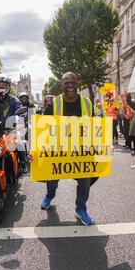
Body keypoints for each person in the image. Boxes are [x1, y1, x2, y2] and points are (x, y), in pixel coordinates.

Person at [39, 72, 95, 226]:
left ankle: (81, 208)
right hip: (58, 149)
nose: (70, 86)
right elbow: (42, 127)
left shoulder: (88, 103)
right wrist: (35, 150)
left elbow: (97, 126)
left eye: (73, 82)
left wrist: (103, 146)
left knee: (84, 181)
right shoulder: (54, 103)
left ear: (78, 84)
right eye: (66, 83)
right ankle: (49, 196)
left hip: (81, 150)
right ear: (61, 85)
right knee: (52, 179)